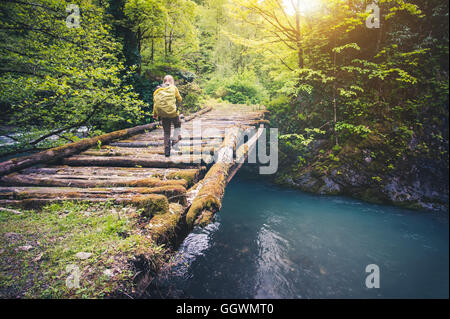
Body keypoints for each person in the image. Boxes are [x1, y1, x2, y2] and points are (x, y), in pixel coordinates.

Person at [153, 75, 183, 157]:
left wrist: (155, 114)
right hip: (173, 113)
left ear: (164, 81)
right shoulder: (173, 88)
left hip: (163, 114)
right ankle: (175, 141)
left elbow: (155, 102)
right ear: (172, 81)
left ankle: (167, 151)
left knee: (166, 132)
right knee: (177, 127)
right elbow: (180, 99)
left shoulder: (158, 89)